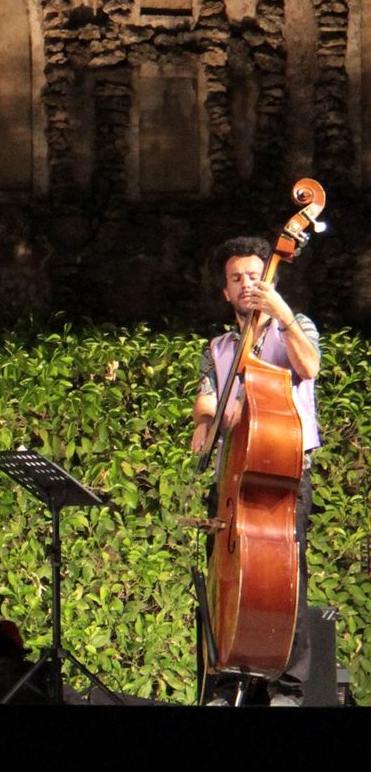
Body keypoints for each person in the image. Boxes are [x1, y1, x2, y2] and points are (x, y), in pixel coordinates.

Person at [191, 236, 321, 707]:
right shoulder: (219, 346)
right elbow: (205, 402)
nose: (247, 285)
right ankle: (222, 682)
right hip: (232, 477)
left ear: (270, 279)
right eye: (236, 279)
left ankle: (287, 689)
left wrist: (282, 314)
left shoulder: (295, 327)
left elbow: (309, 367)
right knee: (220, 582)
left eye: (254, 275)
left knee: (287, 580)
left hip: (283, 476)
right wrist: (206, 416)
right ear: (225, 292)